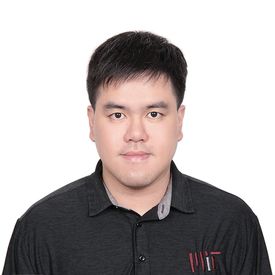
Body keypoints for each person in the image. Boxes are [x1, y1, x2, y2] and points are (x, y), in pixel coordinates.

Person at [2, 31, 272, 275]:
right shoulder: (41, 228)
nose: (136, 133)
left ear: (178, 122)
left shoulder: (231, 221)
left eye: (154, 114)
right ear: (92, 122)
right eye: (117, 115)